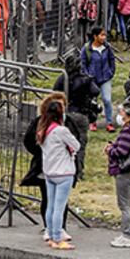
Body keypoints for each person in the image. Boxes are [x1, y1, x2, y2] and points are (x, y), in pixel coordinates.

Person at [39, 97, 81, 250]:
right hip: (64, 172)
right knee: (59, 207)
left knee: (50, 205)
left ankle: (50, 234)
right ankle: (57, 238)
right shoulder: (61, 131)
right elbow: (76, 145)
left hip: (49, 172)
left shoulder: (43, 130)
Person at [105, 100, 130, 248]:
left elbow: (121, 152)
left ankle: (127, 234)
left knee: (124, 205)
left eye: (122, 112)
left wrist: (110, 150)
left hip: (124, 171)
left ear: (129, 117)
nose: (119, 115)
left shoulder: (127, 132)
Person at [81, 27, 117, 132]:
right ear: (95, 36)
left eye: (104, 35)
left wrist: (111, 72)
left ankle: (109, 122)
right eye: (101, 35)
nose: (104, 37)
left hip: (105, 77)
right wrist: (88, 76)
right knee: (93, 101)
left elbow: (112, 60)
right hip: (92, 79)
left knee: (107, 99)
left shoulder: (107, 47)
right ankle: (93, 122)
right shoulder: (87, 48)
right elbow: (83, 64)